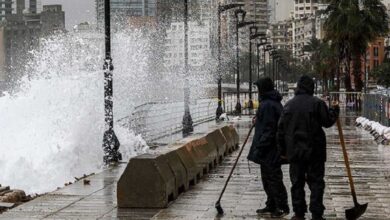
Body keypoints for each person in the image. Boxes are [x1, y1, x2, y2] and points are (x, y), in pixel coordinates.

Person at [277, 75, 339, 220]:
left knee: (297, 183)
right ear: (311, 88)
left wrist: (282, 151)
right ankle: (317, 214)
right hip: (314, 151)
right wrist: (334, 110)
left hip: (295, 151)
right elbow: (327, 121)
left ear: (298, 87)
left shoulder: (289, 105)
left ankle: (299, 213)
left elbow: (280, 130)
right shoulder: (317, 103)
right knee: (316, 182)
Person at [247, 77, 289, 218]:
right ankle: (271, 204)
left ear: (263, 89)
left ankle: (281, 206)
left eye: (259, 88)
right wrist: (257, 118)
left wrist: (260, 146)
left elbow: (270, 129)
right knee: (267, 178)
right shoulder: (269, 103)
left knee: (274, 179)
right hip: (269, 149)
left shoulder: (268, 104)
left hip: (270, 149)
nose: (257, 91)